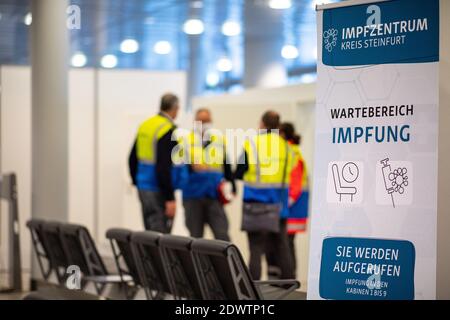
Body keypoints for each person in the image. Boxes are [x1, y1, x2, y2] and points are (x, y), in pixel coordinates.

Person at [234, 111, 295, 280]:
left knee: (255, 250)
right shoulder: (286, 147)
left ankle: (252, 290)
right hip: (279, 206)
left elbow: (238, 172)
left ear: (262, 123)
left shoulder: (252, 144)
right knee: (283, 248)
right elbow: (291, 170)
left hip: (256, 205)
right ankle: (289, 286)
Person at [128, 93, 187, 233]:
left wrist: (138, 181)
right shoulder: (167, 130)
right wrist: (170, 198)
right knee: (161, 238)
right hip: (158, 190)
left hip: (144, 188)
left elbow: (132, 158)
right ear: (174, 108)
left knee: (149, 234)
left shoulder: (146, 125)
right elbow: (163, 167)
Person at [181, 108, 235, 241]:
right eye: (201, 120)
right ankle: (197, 262)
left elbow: (226, 165)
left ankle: (224, 262)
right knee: (195, 238)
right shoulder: (186, 140)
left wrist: (232, 186)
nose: (205, 123)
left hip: (213, 195)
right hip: (192, 195)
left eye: (207, 120)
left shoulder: (218, 139)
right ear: (195, 121)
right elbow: (177, 166)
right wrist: (191, 166)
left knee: (222, 234)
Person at [266, 123, 309, 279]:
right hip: (293, 207)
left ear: (282, 134)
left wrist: (285, 202)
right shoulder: (290, 151)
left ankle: (288, 280)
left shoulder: (291, 152)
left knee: (286, 245)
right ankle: (284, 279)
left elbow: (295, 185)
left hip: (292, 209)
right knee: (284, 244)